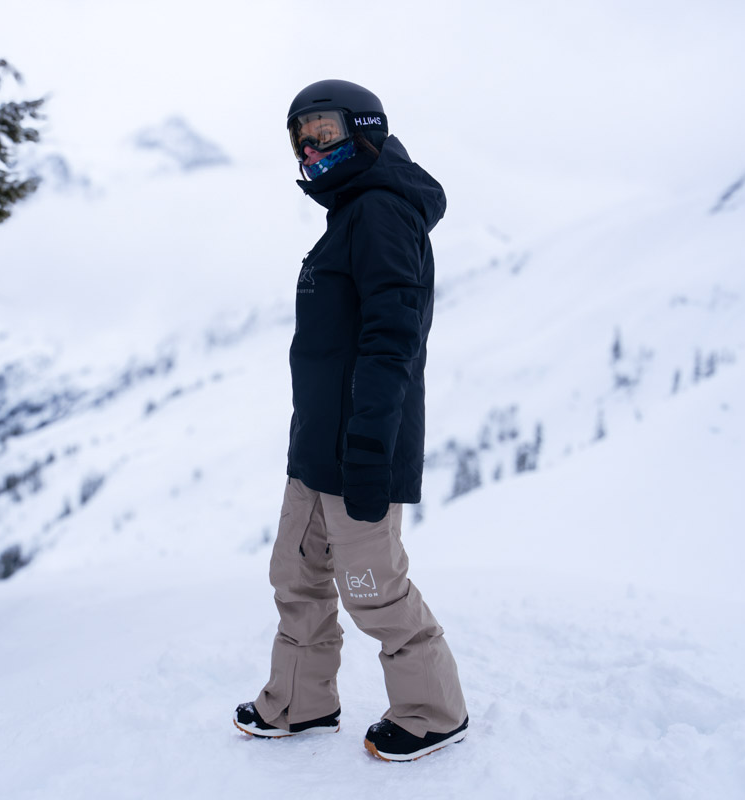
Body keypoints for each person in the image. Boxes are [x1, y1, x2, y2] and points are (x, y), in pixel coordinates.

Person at [233, 79, 468, 762]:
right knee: (296, 578)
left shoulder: (381, 213)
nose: (310, 147)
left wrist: (369, 444)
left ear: (363, 130)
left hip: (362, 446)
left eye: (325, 131)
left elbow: (391, 339)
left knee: (372, 589)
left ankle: (434, 712)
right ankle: (302, 703)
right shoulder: (349, 217)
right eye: (301, 136)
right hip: (318, 448)